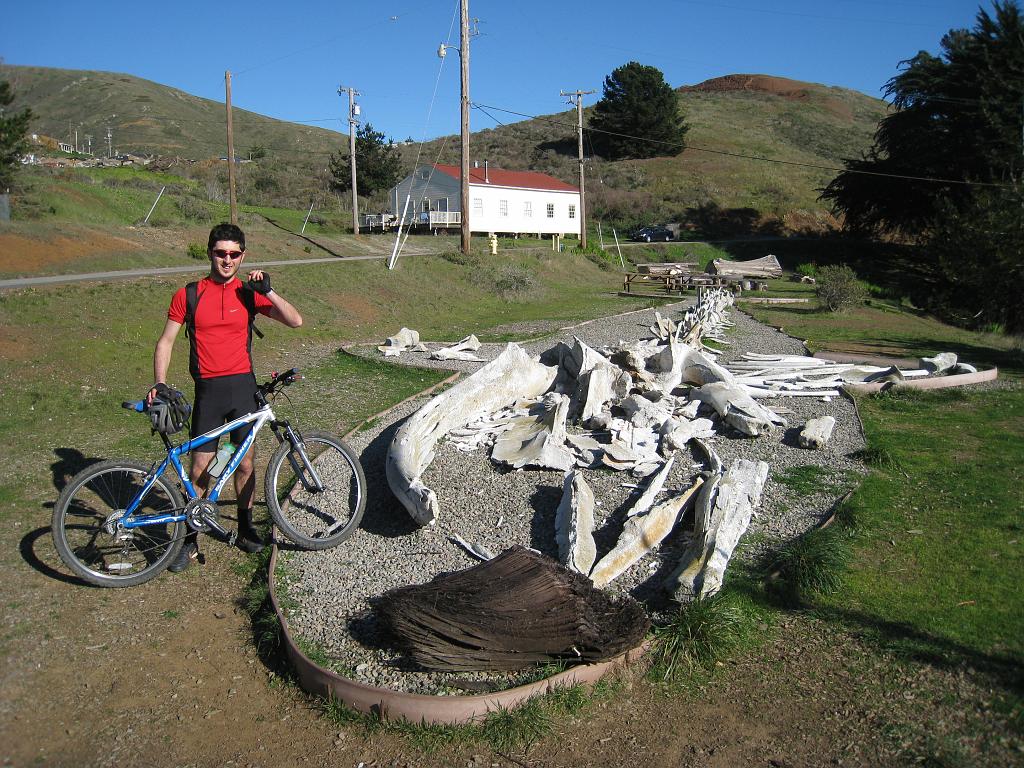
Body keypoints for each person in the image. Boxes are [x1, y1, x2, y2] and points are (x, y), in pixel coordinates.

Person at [149, 223, 303, 573]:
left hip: (242, 391)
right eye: (221, 253)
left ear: (243, 256)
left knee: (243, 463)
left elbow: (295, 321)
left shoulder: (248, 294)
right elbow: (165, 342)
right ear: (210, 253)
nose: (227, 260)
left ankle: (246, 527)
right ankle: (189, 539)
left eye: (234, 254)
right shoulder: (189, 295)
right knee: (199, 468)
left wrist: (269, 290)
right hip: (209, 393)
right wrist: (160, 383)